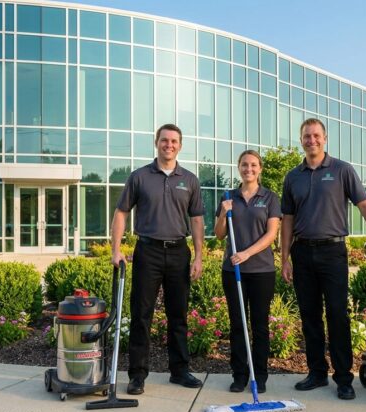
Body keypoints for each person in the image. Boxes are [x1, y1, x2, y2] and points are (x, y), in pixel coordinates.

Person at [280, 118, 366, 400]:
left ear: (325, 138)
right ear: (301, 140)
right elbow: (287, 220)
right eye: (307, 136)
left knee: (337, 315)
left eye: (316, 135)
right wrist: (284, 258)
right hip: (302, 252)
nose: (312, 140)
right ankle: (317, 373)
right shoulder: (292, 176)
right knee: (309, 317)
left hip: (332, 252)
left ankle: (343, 378)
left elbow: (364, 204)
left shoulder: (342, 170)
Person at [110, 123, 205, 395]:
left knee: (179, 315)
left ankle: (180, 371)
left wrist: (198, 256)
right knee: (141, 314)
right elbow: (120, 213)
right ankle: (137, 375)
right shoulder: (139, 176)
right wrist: (115, 250)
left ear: (180, 145)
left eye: (174, 141)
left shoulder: (190, 179)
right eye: (165, 140)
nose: (169, 145)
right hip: (147, 251)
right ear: (157, 142)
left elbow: (197, 220)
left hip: (178, 252)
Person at [214, 150, 281, 394]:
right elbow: (219, 233)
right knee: (238, 324)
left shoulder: (270, 198)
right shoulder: (228, 196)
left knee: (260, 325)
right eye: (244, 164)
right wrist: (224, 211)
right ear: (238, 167)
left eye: (253, 165)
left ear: (259, 169)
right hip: (232, 271)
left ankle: (259, 375)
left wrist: (246, 253)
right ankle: (240, 375)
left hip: (262, 270)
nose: (248, 169)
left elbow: (271, 235)